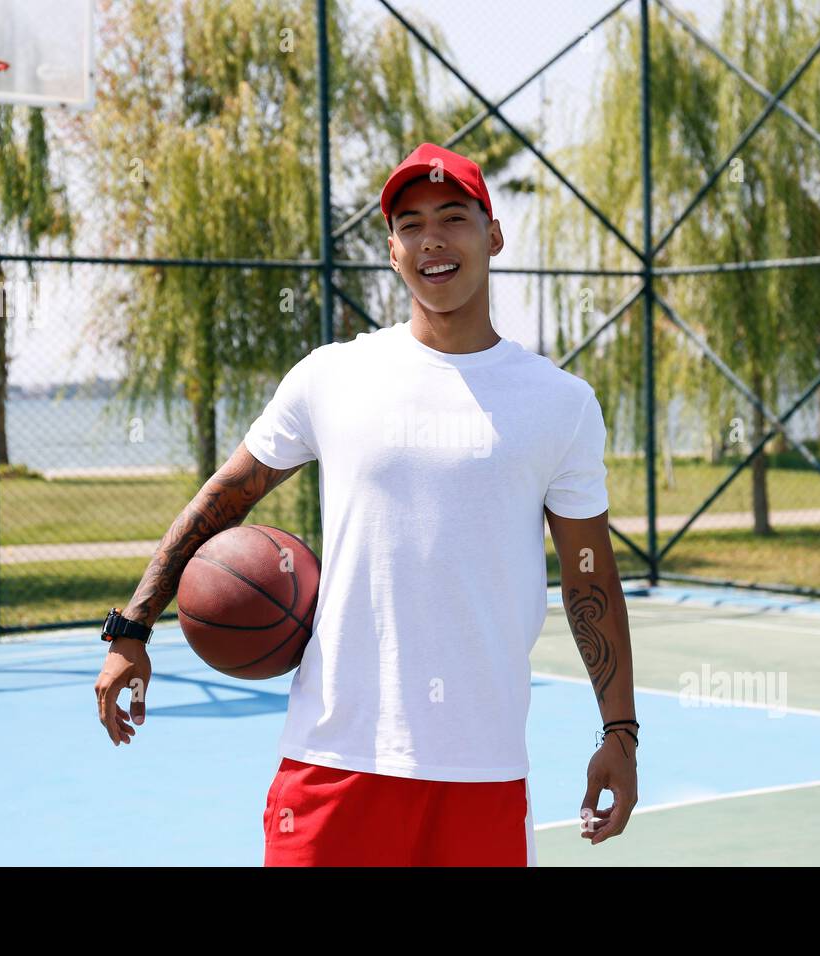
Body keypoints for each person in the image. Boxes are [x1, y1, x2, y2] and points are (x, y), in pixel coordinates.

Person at [94, 143, 638, 866]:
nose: (432, 240)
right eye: (410, 224)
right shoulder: (333, 376)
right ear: (392, 250)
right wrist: (131, 626)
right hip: (334, 757)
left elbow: (589, 577)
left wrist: (620, 732)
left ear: (494, 234)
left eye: (453, 217)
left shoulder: (560, 404)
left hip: (483, 766)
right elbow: (225, 499)